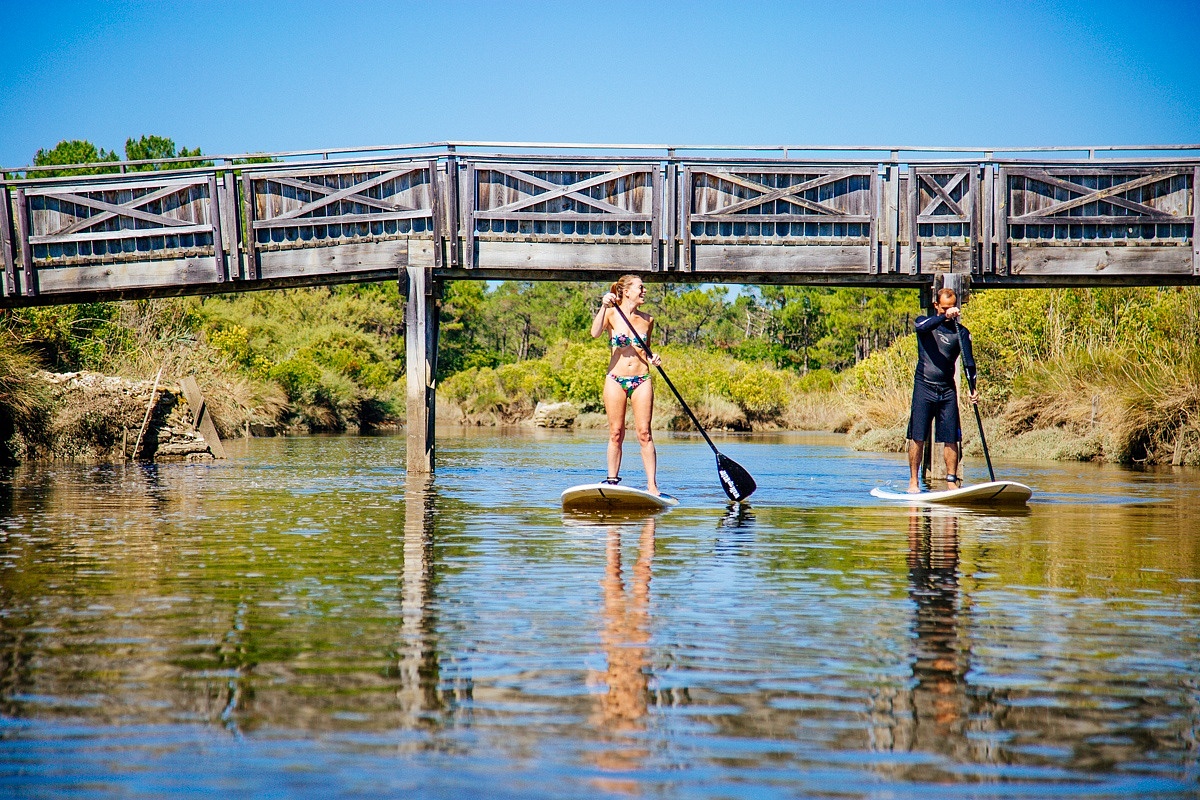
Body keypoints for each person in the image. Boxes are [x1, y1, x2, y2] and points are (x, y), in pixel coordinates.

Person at [590, 275, 662, 494]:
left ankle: (652, 485)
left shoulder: (648, 320)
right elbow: (594, 333)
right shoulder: (611, 313)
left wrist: (653, 358)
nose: (644, 291)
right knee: (616, 432)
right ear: (627, 291)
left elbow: (645, 349)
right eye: (640, 287)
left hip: (641, 379)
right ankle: (612, 481)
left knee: (644, 433)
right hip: (615, 379)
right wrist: (603, 306)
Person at [907, 287, 979, 493]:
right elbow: (921, 327)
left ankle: (950, 481)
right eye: (945, 307)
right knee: (918, 435)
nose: (950, 311)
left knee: (951, 437)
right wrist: (943, 317)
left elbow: (969, 363)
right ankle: (913, 482)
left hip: (947, 391)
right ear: (936, 306)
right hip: (924, 387)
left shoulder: (961, 332)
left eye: (953, 307)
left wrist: (973, 389)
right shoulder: (925, 323)